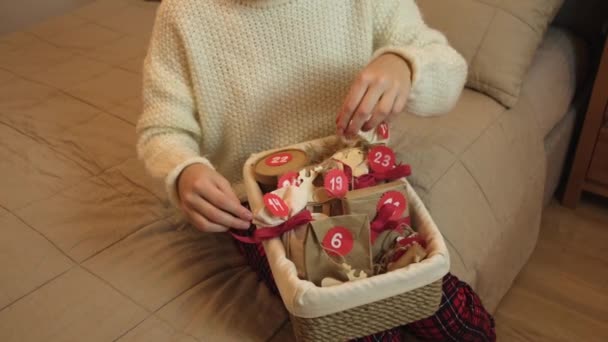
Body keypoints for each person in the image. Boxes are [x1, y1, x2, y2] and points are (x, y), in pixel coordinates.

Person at [136, 0, 496, 340]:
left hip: (360, 183)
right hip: (264, 208)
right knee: (358, 328)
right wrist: (184, 169)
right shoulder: (182, 14)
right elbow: (163, 128)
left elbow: (449, 68)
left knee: (461, 320)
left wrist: (406, 65)